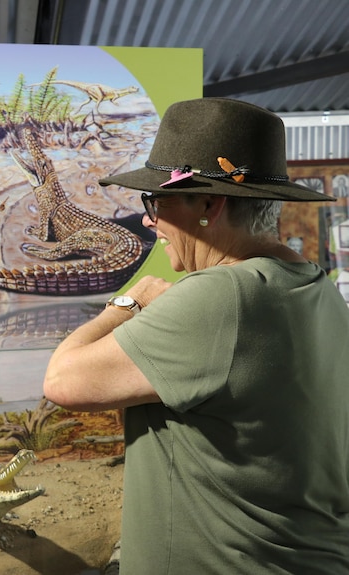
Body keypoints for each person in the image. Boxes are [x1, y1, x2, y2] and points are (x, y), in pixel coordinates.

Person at [43, 98, 349, 574]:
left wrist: (132, 300)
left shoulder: (225, 296)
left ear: (208, 203)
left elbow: (63, 381)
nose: (148, 220)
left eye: (156, 201)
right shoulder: (314, 286)